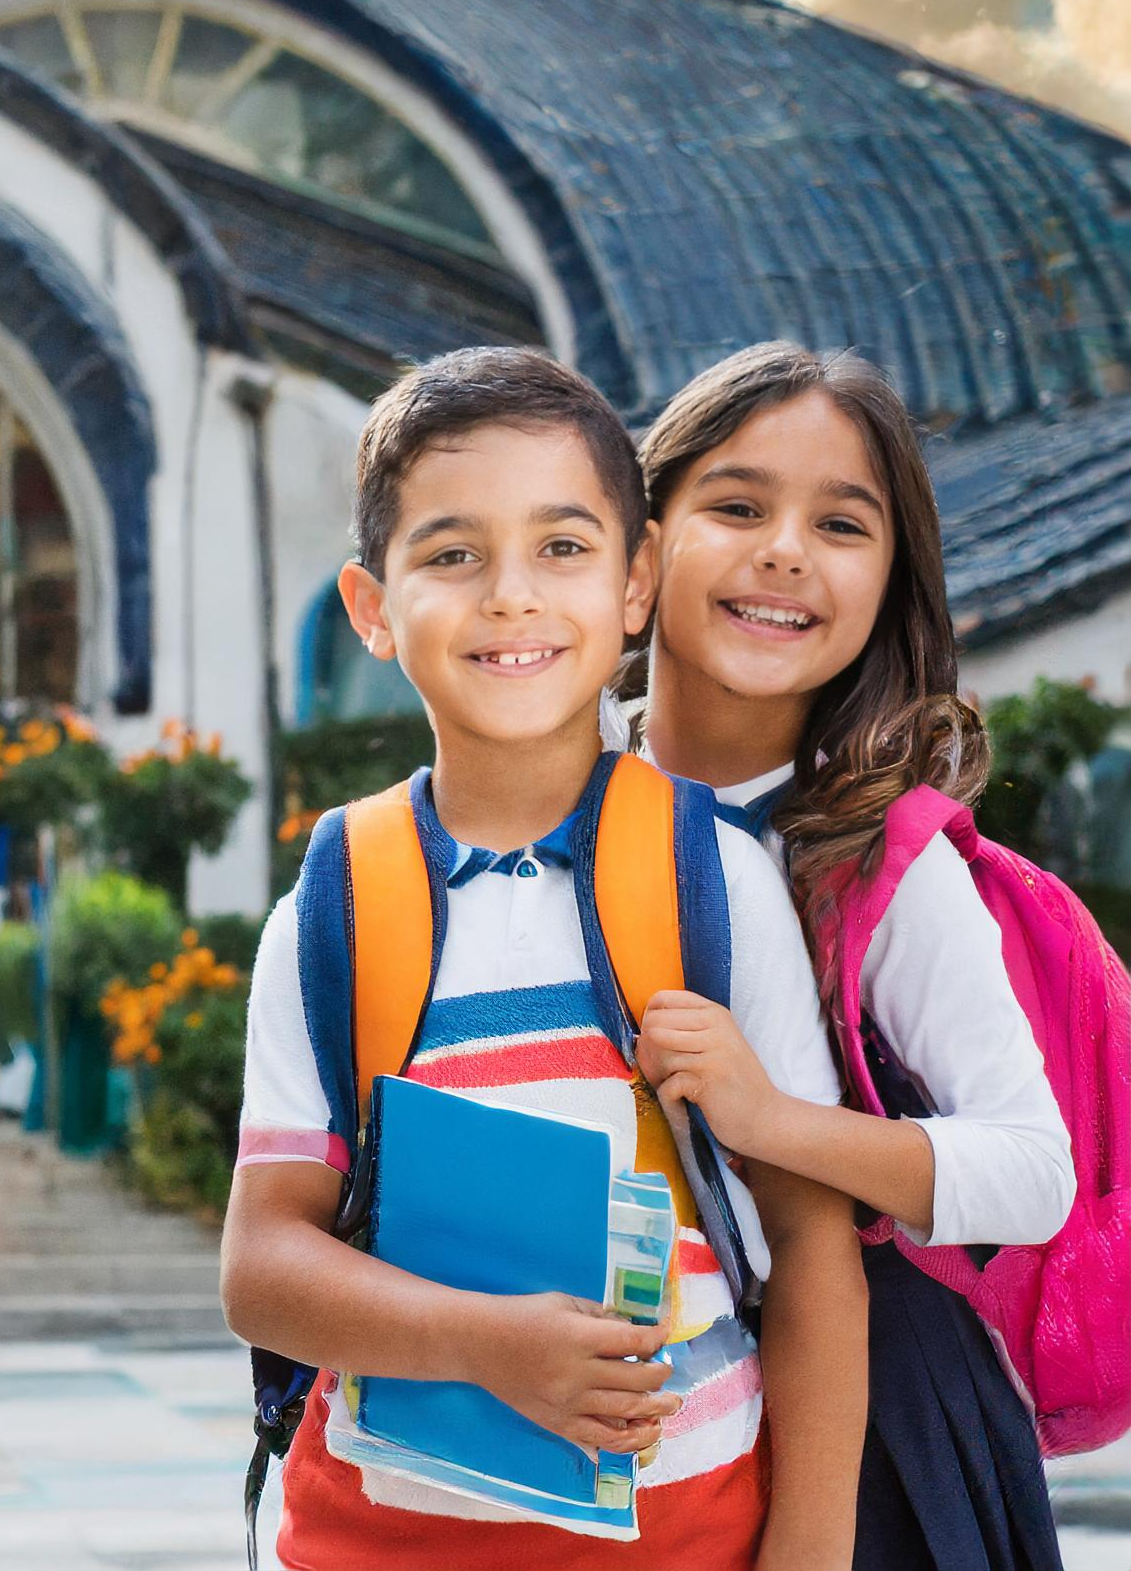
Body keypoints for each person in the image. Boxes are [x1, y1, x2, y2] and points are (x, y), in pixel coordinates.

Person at [222, 346, 864, 1571]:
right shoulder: (336, 902)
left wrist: (810, 1550)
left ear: (635, 583)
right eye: (452, 553)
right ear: (371, 607)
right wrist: (488, 1341)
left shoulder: (709, 879)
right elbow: (261, 1264)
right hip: (374, 1541)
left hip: (687, 1537)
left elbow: (813, 1248)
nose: (510, 594)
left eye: (561, 547)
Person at [633, 341, 1076, 1571]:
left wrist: (768, 1117)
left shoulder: (878, 853)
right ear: (637, 540)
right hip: (625, 1384)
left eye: (839, 523)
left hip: (875, 1425)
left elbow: (1032, 1167)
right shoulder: (562, 802)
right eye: (734, 504)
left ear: (889, 584)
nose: (781, 549)